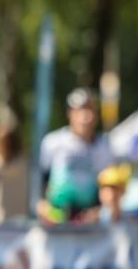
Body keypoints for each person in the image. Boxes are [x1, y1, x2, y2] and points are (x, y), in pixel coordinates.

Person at [37, 88, 114, 224]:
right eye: (80, 111)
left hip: (91, 220)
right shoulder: (53, 142)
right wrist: (43, 207)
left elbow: (108, 187)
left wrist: (102, 211)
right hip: (57, 217)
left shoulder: (104, 146)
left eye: (90, 110)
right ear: (70, 114)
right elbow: (42, 181)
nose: (85, 117)